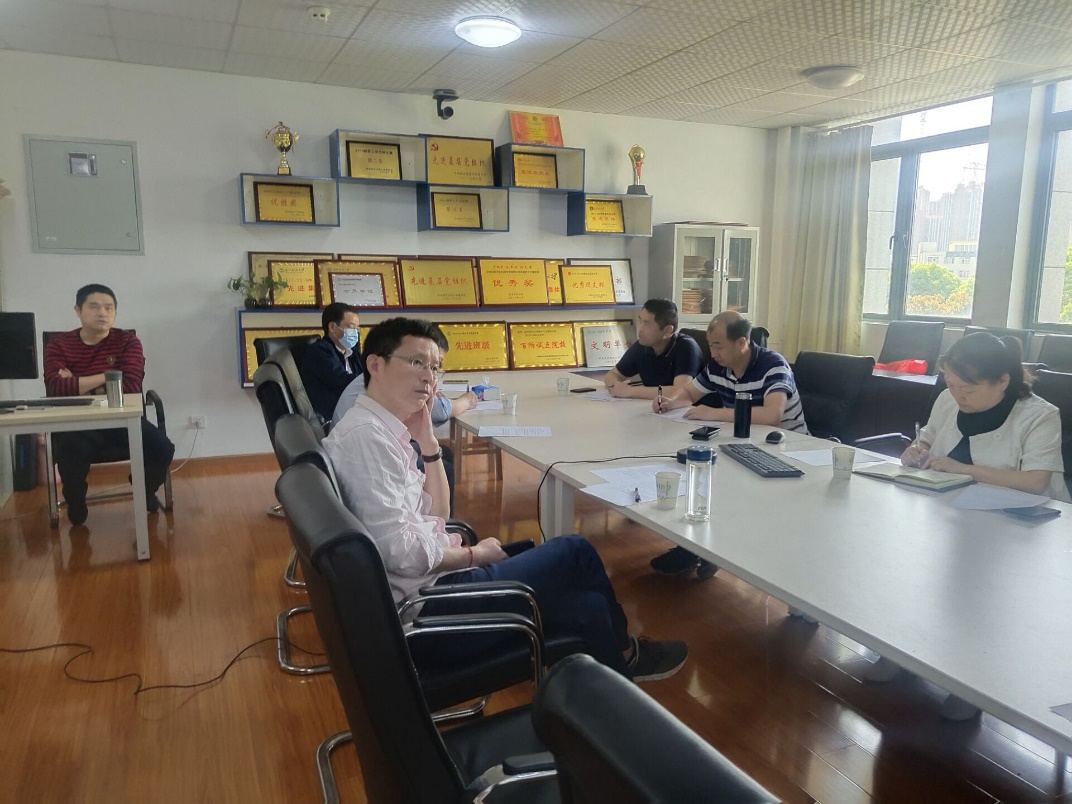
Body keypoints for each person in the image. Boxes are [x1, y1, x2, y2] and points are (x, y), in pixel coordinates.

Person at [323, 316, 688, 681]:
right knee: (575, 551)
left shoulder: (384, 430)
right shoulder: (367, 440)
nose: (429, 378)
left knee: (588, 605)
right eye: (417, 362)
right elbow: (401, 554)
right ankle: (623, 660)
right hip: (429, 612)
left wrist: (430, 444)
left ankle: (614, 671)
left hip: (432, 590)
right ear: (376, 365)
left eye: (435, 368)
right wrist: (474, 555)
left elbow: (439, 515)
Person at [649, 311, 808, 578]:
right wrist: (670, 402)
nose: (713, 353)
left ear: (741, 343)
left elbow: (772, 416)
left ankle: (708, 550)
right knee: (699, 472)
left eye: (718, 346)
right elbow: (689, 392)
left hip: (789, 451)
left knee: (718, 480)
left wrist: (714, 413)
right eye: (710, 346)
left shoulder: (773, 365)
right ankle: (694, 548)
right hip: (742, 443)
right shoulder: (718, 366)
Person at [44, 284, 175, 526]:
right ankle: (75, 500)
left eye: (109, 308)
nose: (102, 313)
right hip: (79, 424)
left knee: (163, 448)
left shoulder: (128, 342)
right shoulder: (59, 345)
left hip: (123, 420)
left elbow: (131, 386)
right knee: (70, 452)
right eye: (94, 307)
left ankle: (144, 488)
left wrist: (78, 382)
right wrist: (110, 377)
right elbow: (56, 388)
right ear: (78, 310)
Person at [902, 332, 1070, 501]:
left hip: (1026, 511)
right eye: (951, 384)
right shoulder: (947, 399)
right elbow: (927, 438)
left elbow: (1035, 482)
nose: (957, 396)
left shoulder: (1040, 416)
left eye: (968, 390)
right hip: (950, 504)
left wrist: (963, 470)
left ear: (1003, 382)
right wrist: (916, 450)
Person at [602, 298, 702, 399]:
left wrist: (630, 391)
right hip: (653, 406)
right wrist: (615, 385)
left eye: (646, 323)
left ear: (667, 330)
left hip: (689, 408)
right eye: (640, 320)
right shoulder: (642, 345)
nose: (640, 329)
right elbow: (613, 374)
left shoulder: (686, 347)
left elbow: (681, 392)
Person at [298, 303, 363, 424]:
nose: (355, 333)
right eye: (351, 327)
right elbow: (343, 382)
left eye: (357, 328)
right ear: (332, 327)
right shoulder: (319, 352)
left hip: (354, 416)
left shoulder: (353, 353)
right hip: (331, 420)